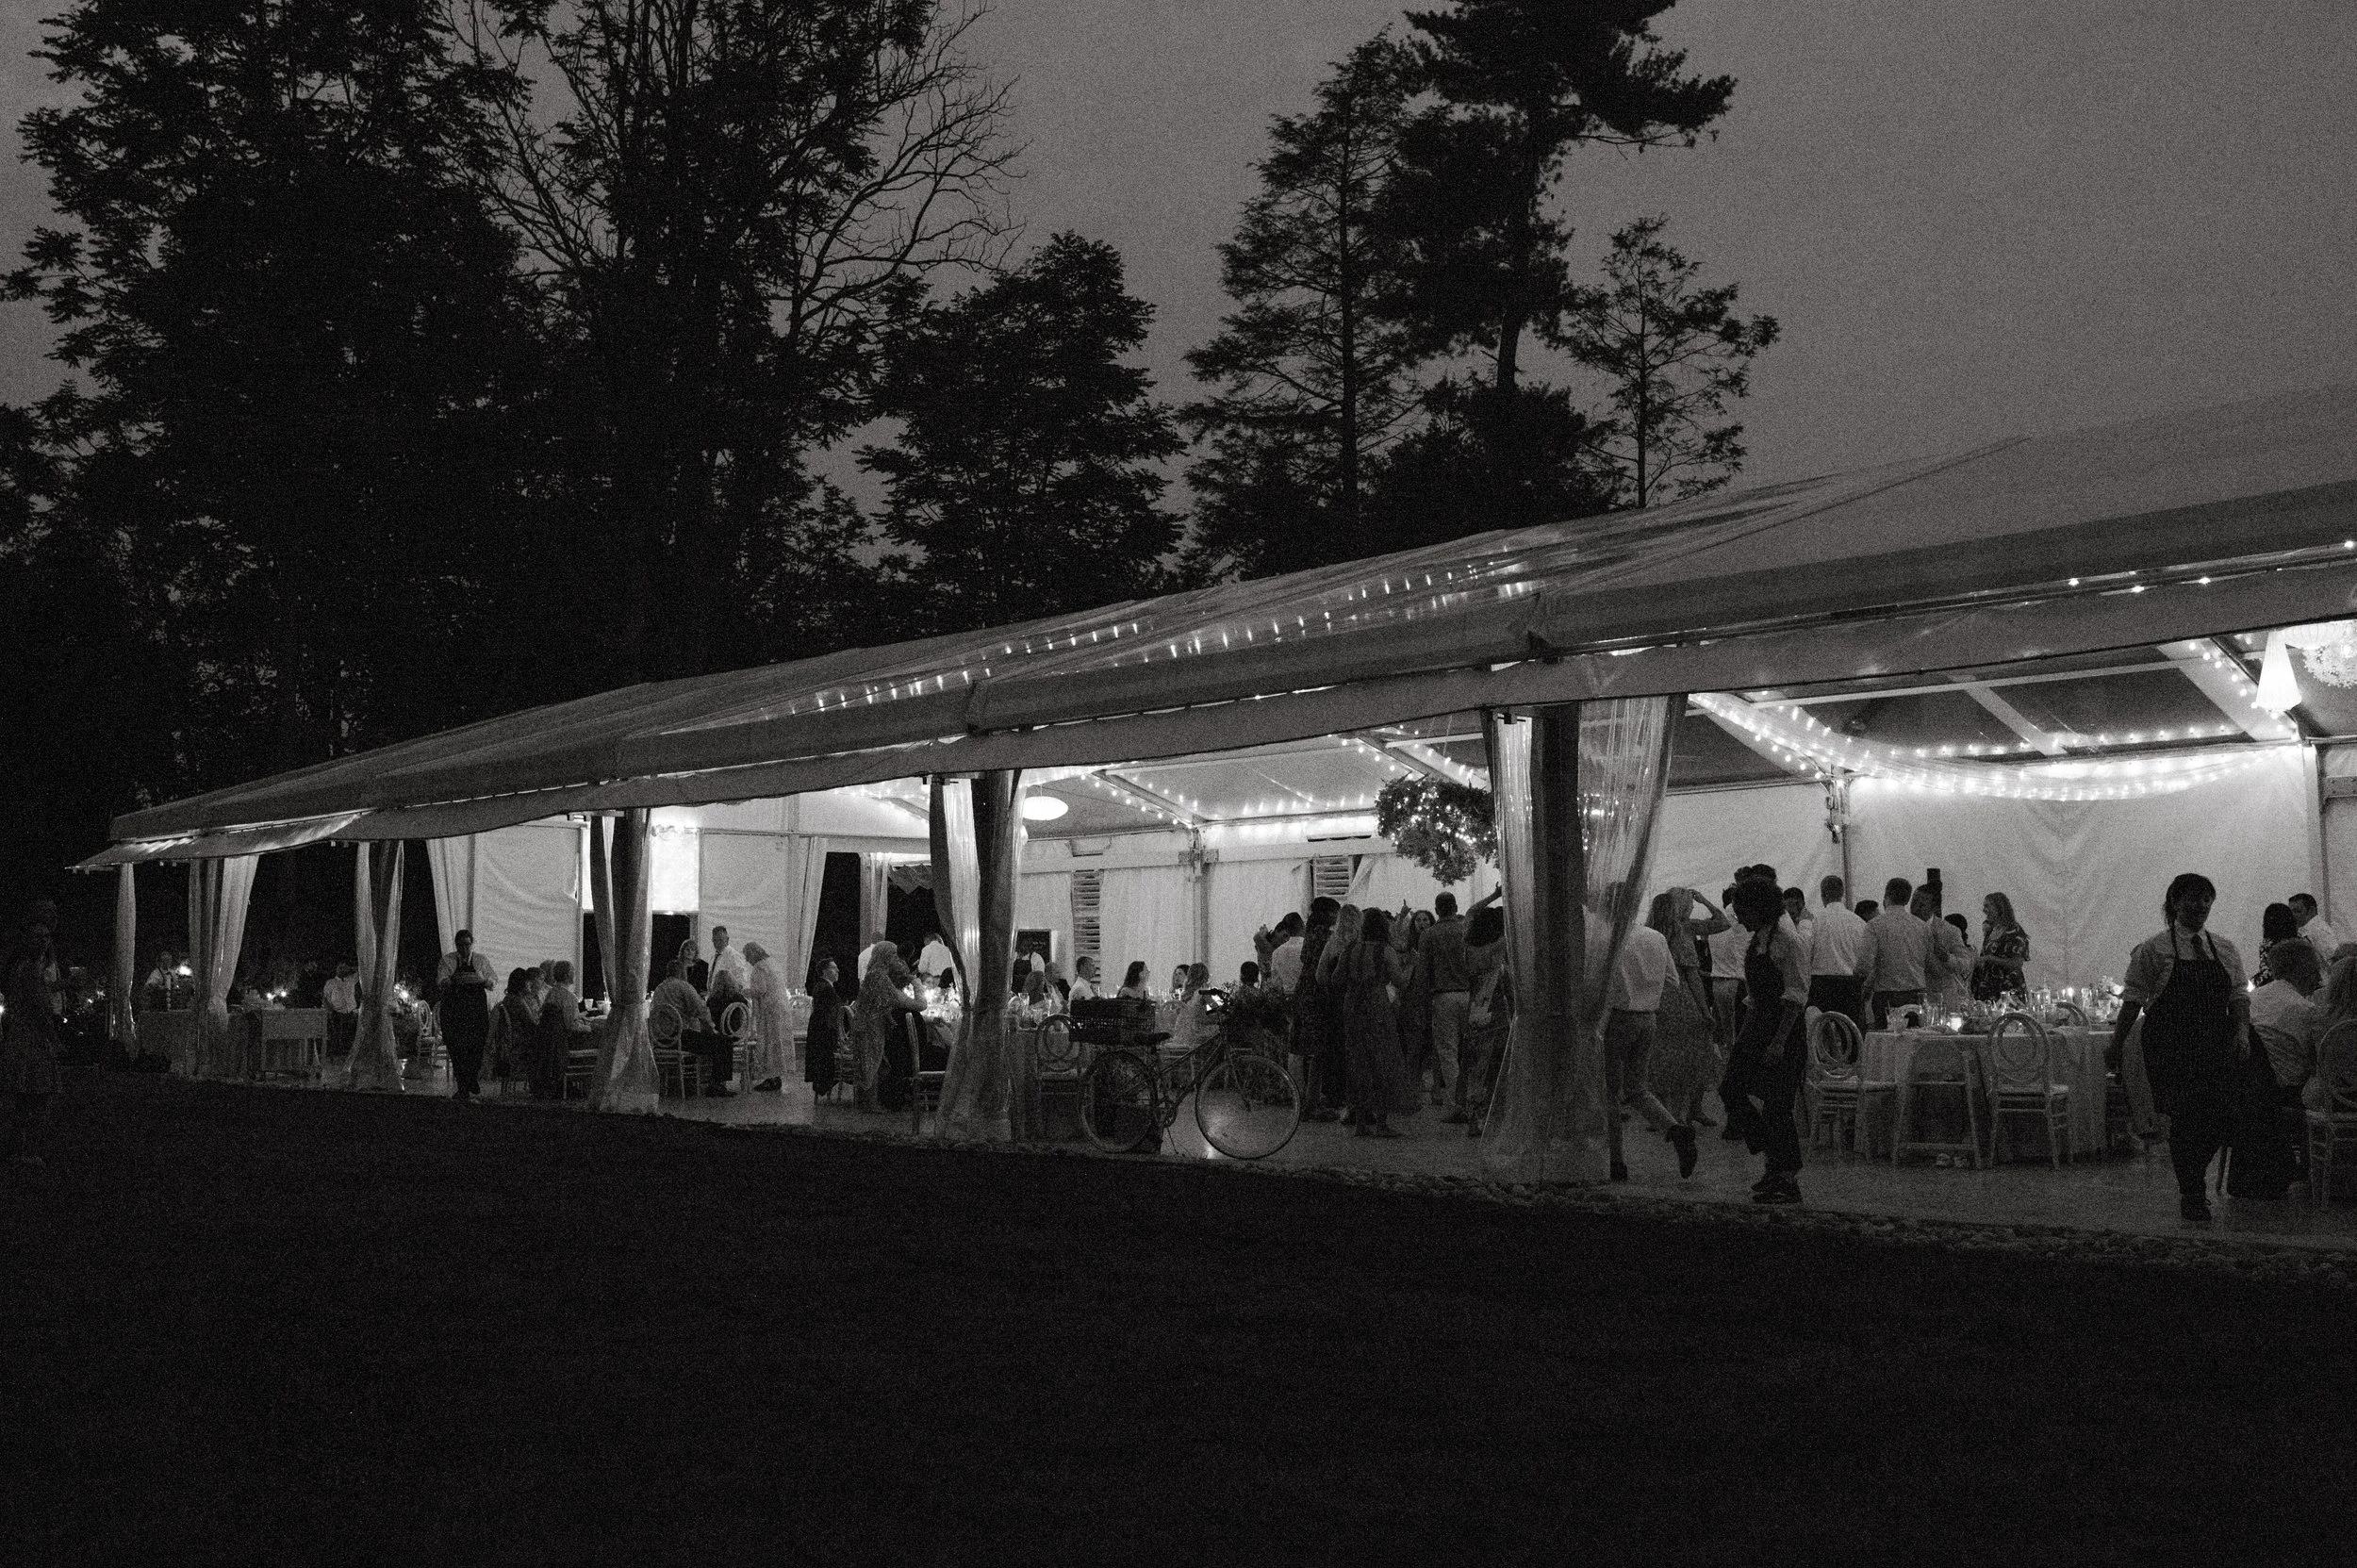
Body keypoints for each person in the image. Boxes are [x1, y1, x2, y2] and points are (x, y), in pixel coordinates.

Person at [2114, 872, 2252, 1223]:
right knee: (2186, 1119)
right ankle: (2192, 1192)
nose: (2200, 905)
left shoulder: (2224, 947)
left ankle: (2192, 1183)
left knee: (2224, 1114)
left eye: (2206, 898)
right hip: (2170, 1043)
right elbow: (2132, 999)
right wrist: (2117, 1044)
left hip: (2215, 1040)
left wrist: (2241, 1032)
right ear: (2175, 903)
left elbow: (2238, 994)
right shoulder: (2155, 948)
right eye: (2192, 898)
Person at [1718, 878, 1810, 1205]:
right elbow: (1755, 997)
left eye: (1742, 911)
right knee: (1730, 1088)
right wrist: (1743, 1036)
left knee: (1777, 1105)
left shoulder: (1787, 941)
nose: (1738, 918)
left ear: (1758, 909)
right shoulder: (1758, 939)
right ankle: (1769, 1152)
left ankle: (1784, 1175)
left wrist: (1779, 1041)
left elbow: (1796, 995)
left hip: (1783, 1030)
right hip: (1757, 1025)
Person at [1605, 910, 1700, 1180]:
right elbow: (1673, 980)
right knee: (1637, 1089)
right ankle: (1675, 1129)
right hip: (1648, 1017)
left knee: (1610, 1092)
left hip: (1617, 1019)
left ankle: (1616, 1162)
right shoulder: (1656, 937)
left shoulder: (1609, 938)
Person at [1643, 891, 1722, 1142]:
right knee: (1694, 1055)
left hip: (1655, 998)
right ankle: (1686, 1113)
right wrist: (1704, 1010)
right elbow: (1691, 975)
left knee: (1661, 1056)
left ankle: (1665, 1115)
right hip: (1680, 998)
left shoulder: (1648, 932)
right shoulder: (1683, 931)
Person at [3, 907, 65, 1170]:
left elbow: (38, 994)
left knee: (25, 1095)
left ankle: (21, 1149)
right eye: (38, 936)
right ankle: (28, 1150)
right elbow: (39, 1008)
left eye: (47, 936)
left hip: (22, 1037)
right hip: (31, 1039)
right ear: (28, 940)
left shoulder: (27, 968)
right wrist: (54, 1040)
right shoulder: (28, 969)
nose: (44, 941)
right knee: (37, 1096)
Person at [1342, 909, 1410, 1137]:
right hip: (1377, 1007)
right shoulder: (1385, 950)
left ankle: (1361, 1122)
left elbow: (1334, 979)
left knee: (1358, 1064)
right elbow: (1400, 981)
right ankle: (1381, 1123)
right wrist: (1410, 967)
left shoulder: (1350, 949)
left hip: (1352, 1008)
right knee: (1382, 1063)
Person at [856, 943, 925, 1112]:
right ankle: (871, 1105)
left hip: (867, 1024)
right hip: (871, 1026)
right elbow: (919, 1005)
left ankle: (869, 1102)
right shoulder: (880, 978)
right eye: (894, 955)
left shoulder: (873, 974)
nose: (898, 959)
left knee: (876, 1060)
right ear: (886, 957)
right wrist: (916, 983)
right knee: (875, 1060)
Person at [651, 959, 734, 1097]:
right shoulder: (684, 986)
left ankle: (684, 1082)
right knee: (723, 1042)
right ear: (682, 972)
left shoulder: (659, 989)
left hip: (661, 1040)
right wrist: (712, 1028)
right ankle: (716, 1085)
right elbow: (701, 1009)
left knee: (708, 1040)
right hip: (681, 1038)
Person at [1803, 877, 1871, 1033]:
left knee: (1822, 1035)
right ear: (1842, 893)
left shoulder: (1817, 920)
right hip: (1851, 984)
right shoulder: (1858, 922)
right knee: (1850, 1033)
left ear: (1823, 894)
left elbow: (1807, 953)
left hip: (1822, 984)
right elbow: (1865, 957)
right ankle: (1853, 1058)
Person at [436, 930, 497, 1100]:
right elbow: (441, 980)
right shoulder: (447, 961)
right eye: (460, 945)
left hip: (476, 1010)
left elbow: (493, 980)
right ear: (456, 945)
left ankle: (470, 1079)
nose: (464, 948)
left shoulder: (481, 960)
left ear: (472, 943)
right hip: (454, 1010)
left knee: (476, 1045)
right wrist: (450, 981)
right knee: (456, 1048)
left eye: (467, 945)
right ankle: (463, 1086)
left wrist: (484, 981)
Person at [1864, 878, 1932, 1029]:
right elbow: (1928, 962)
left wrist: (1864, 985)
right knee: (1915, 1043)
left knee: (1888, 1044)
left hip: (1887, 995)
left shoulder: (1875, 925)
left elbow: (1865, 964)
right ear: (1907, 899)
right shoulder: (1922, 926)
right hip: (1916, 994)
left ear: (1886, 895)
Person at [533, 960, 590, 1100]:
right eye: (573, 972)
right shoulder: (569, 997)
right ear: (567, 975)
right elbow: (571, 1026)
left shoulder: (551, 994)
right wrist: (589, 1027)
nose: (574, 974)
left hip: (548, 1043)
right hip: (562, 1043)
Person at [733, 943, 784, 1092]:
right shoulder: (772, 963)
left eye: (748, 956)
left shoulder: (759, 967)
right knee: (775, 1045)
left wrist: (743, 991)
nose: (748, 961)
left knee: (767, 1043)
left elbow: (760, 990)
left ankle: (770, 1078)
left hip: (768, 1010)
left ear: (753, 954)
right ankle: (776, 1076)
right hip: (778, 1009)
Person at [1705, 884, 1749, 1044]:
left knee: (1723, 1035)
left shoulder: (1713, 927)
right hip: (1736, 983)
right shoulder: (1740, 925)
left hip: (1717, 983)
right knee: (1739, 1033)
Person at [802, 955, 849, 1098]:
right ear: (824, 972)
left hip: (820, 1030)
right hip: (824, 1033)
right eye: (834, 968)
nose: (838, 971)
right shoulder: (825, 989)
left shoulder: (823, 986)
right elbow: (833, 1014)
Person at [1971, 894, 2031, 1001]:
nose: (1984, 910)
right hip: (1989, 988)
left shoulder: (2014, 931)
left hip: (2008, 988)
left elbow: (2017, 963)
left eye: (1987, 906)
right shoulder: (1991, 930)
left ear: (1999, 908)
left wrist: (1990, 958)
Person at [486, 969, 537, 1090]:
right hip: (520, 1046)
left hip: (510, 1045)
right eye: (529, 982)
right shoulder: (518, 1002)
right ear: (522, 984)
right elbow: (532, 1025)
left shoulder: (507, 1000)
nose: (531, 984)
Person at [322, 959, 362, 1059]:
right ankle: (335, 1056)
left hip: (351, 1012)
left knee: (350, 1036)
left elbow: (361, 970)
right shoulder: (331, 983)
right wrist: (331, 1011)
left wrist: (350, 968)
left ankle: (348, 1056)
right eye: (340, 968)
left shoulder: (351, 980)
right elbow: (325, 998)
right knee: (337, 1035)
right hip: (338, 1012)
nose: (342, 970)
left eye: (344, 968)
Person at [2290, 893, 2341, 963]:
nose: (2292, 916)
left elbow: (2333, 961)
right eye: (2290, 912)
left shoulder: (2319, 931)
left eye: (2297, 911)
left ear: (2311, 910)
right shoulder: (2306, 930)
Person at [708, 925, 750, 997]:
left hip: (727, 998)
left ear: (727, 939)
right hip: (714, 997)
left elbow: (742, 980)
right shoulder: (714, 957)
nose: (717, 943)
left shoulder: (734, 956)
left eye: (720, 940)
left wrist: (731, 996)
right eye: (715, 940)